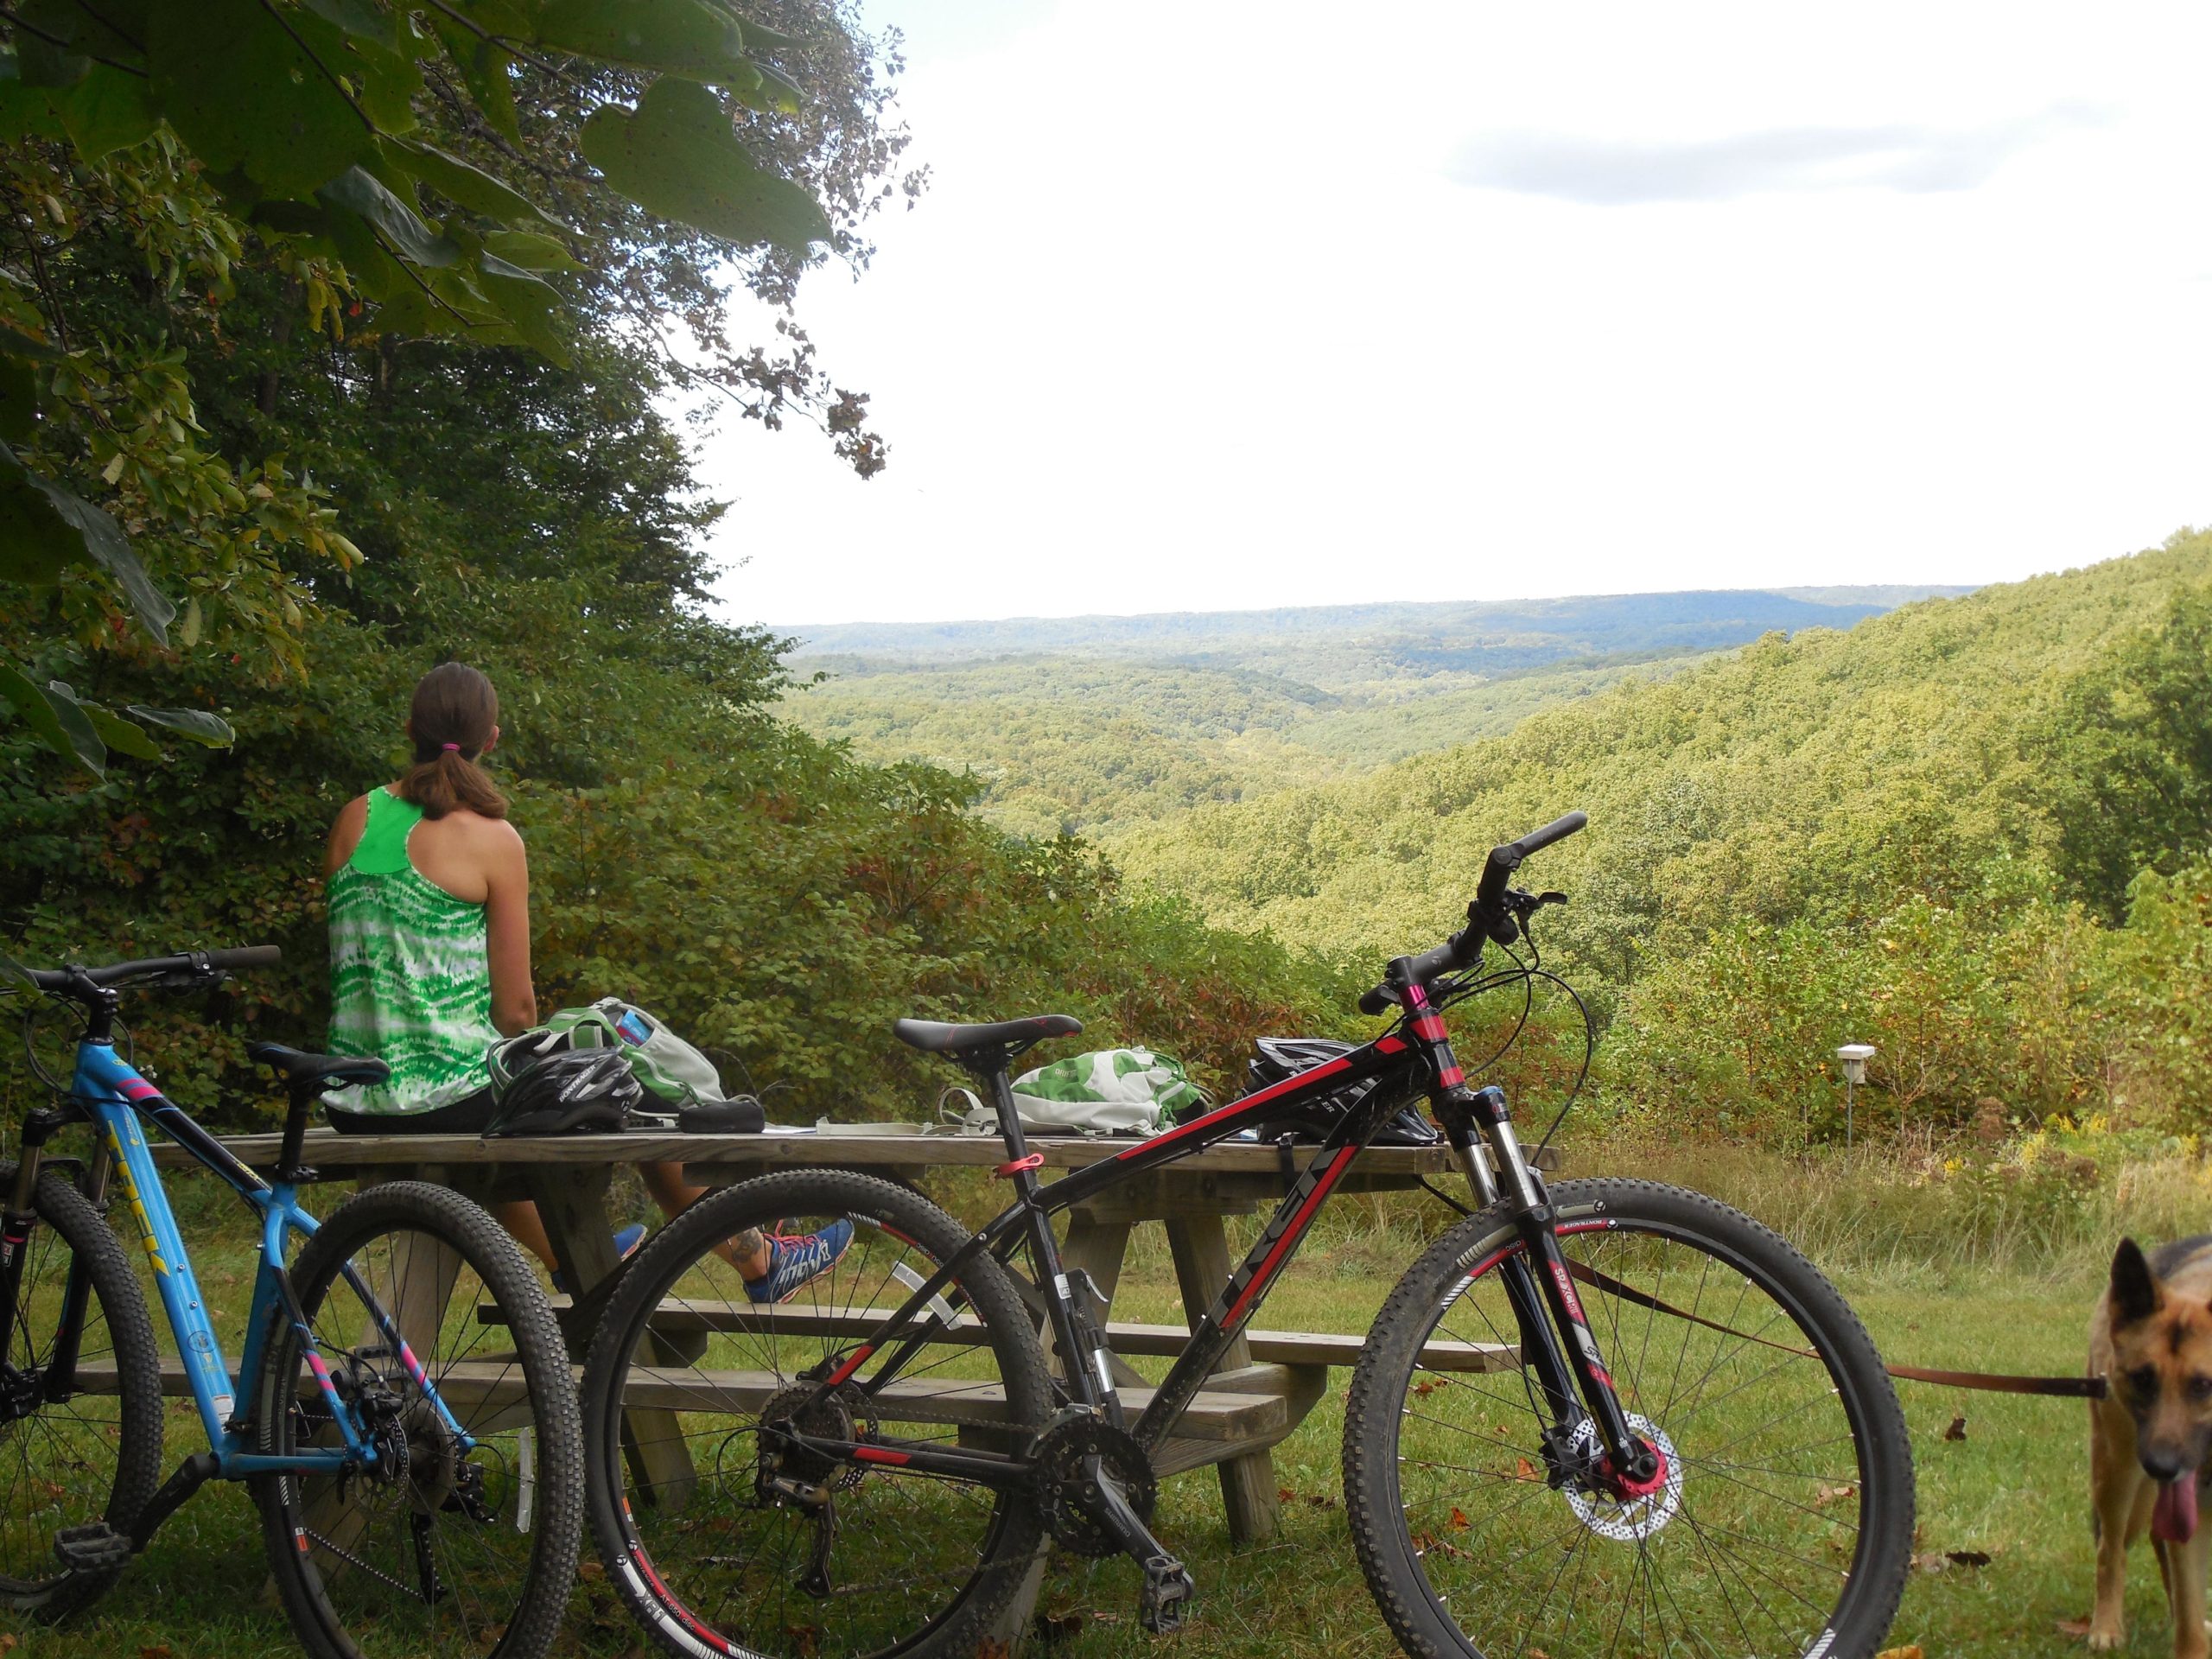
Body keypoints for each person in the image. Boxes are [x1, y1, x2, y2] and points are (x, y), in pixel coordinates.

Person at [323, 660, 849, 1301]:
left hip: (351, 1099)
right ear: (493, 738)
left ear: (409, 728)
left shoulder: (354, 818)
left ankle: (571, 1256)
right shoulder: (493, 839)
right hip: (445, 1099)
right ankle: (758, 1261)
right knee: (626, 1074)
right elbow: (516, 1010)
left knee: (549, 1084)